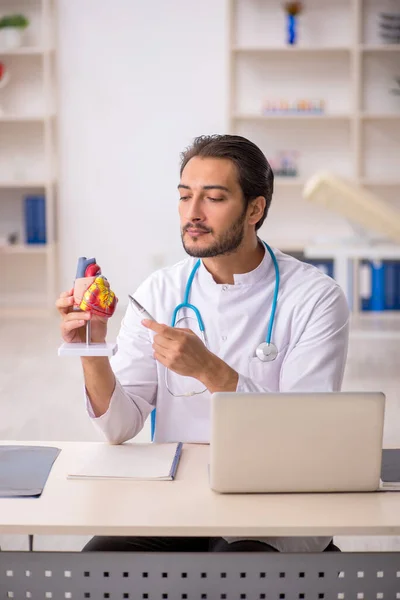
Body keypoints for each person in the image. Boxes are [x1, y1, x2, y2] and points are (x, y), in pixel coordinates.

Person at [56, 134, 349, 553]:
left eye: (213, 198)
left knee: (235, 568)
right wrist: (92, 347)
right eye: (184, 196)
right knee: (100, 561)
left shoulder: (315, 298)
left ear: (255, 209)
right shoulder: (160, 291)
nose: (192, 214)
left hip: (274, 500)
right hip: (180, 500)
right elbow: (120, 426)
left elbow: (303, 436)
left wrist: (210, 371)